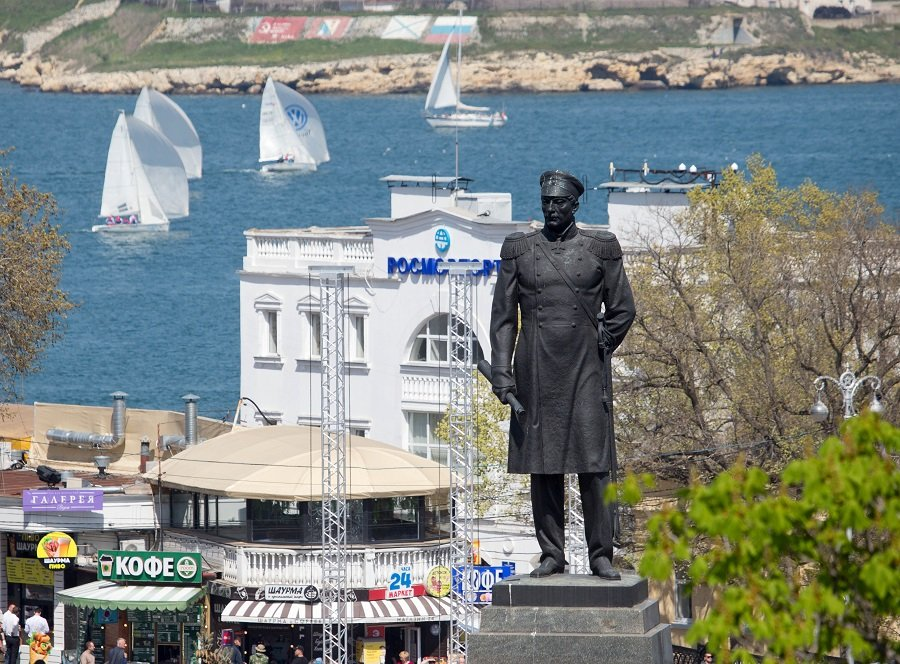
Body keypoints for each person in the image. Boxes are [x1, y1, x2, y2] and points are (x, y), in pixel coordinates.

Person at [490, 169, 636, 580]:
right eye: (546, 203)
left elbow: (623, 309)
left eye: (559, 203)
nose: (551, 210)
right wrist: (502, 374)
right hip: (535, 367)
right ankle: (552, 553)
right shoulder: (519, 251)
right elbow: (503, 318)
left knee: (594, 465)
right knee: (544, 465)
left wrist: (599, 342)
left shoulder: (600, 249)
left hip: (585, 368)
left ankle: (600, 554)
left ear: (575, 205)